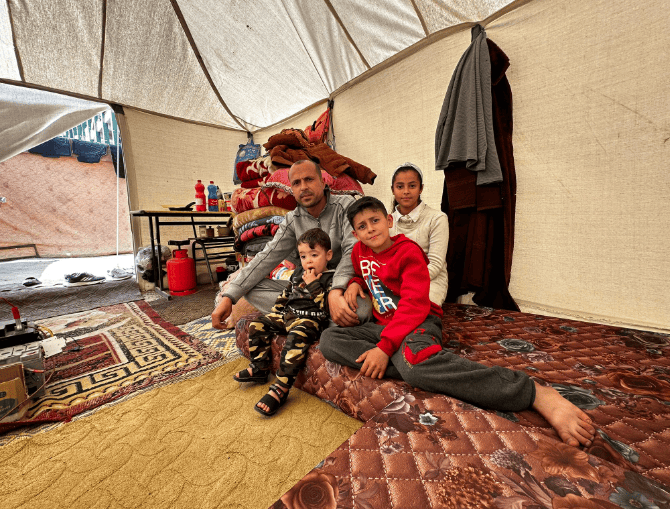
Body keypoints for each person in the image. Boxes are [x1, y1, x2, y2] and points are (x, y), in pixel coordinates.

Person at [319, 196, 595, 448]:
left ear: (389, 221)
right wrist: (354, 284)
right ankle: (409, 359)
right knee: (330, 340)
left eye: (375, 221)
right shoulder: (359, 252)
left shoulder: (408, 253)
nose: (370, 229)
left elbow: (415, 305)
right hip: (384, 326)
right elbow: (364, 274)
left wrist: (384, 348)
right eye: (362, 226)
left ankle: (532, 392)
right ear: (355, 234)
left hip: (418, 322)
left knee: (414, 368)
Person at [211, 158, 367, 331]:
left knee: (362, 311)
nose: (303, 187)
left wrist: (336, 290)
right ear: (291, 189)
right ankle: (319, 319)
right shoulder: (292, 219)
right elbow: (266, 257)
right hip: (307, 292)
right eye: (297, 183)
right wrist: (229, 296)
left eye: (309, 179)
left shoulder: (346, 206)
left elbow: (352, 251)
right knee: (250, 289)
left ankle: (303, 319)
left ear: (323, 182)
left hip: (343, 287)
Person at [235, 228, 334, 416]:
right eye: (304, 257)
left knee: (296, 337)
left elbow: (327, 306)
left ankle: (281, 387)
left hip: (310, 321)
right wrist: (276, 313)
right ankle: (259, 368)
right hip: (288, 316)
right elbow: (285, 294)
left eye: (314, 255)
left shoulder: (330, 278)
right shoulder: (298, 273)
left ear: (328, 255)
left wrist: (313, 284)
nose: (309, 261)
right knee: (258, 324)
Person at [389, 162, 449, 305]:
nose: (406, 191)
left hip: (430, 280)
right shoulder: (388, 222)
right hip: (395, 280)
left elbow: (435, 264)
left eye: (412, 185)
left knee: (417, 307)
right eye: (400, 186)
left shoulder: (437, 218)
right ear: (393, 190)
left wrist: (408, 283)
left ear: (421, 188)